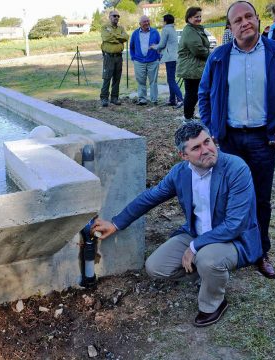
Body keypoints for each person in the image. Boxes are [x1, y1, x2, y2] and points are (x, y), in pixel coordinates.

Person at [92, 121, 262, 327]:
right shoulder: (180, 173)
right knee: (155, 267)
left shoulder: (236, 168)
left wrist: (194, 247)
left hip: (234, 239)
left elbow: (234, 224)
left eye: (207, 142)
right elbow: (150, 197)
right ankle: (209, 274)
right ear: (183, 156)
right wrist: (116, 223)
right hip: (195, 233)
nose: (206, 150)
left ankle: (213, 304)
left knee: (208, 260)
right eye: (196, 148)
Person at [198, 1, 275, 279]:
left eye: (248, 17)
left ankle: (260, 252)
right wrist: (211, 132)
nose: (245, 23)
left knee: (260, 199)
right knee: (226, 196)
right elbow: (204, 96)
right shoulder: (219, 57)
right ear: (230, 28)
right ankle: (227, 248)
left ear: (257, 19)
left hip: (262, 140)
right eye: (237, 20)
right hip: (228, 139)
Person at [177, 7, 210, 120]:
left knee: (193, 93)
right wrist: (211, 54)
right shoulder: (190, 31)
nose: (199, 19)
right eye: (196, 17)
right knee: (192, 93)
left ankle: (189, 115)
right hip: (191, 68)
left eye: (200, 16)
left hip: (194, 67)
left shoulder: (195, 29)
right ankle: (187, 117)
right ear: (189, 17)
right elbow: (198, 50)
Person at [151, 14, 184, 108]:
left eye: (162, 20)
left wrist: (153, 47)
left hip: (170, 57)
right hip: (174, 57)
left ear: (165, 21)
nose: (162, 22)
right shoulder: (172, 29)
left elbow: (161, 44)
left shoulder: (166, 29)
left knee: (171, 80)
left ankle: (181, 99)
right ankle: (172, 100)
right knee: (171, 79)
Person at [100, 10, 129, 108]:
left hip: (119, 57)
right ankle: (104, 98)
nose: (116, 17)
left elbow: (126, 37)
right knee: (107, 77)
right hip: (109, 57)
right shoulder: (105, 27)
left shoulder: (121, 28)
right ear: (109, 17)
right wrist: (119, 38)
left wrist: (114, 36)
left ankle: (114, 98)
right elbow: (106, 38)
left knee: (117, 78)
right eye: (114, 16)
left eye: (118, 16)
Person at [130, 15, 161, 105]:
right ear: (140, 24)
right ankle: (142, 99)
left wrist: (159, 57)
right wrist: (133, 57)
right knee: (141, 81)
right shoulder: (135, 33)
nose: (147, 23)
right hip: (139, 61)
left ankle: (154, 100)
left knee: (153, 81)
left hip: (153, 61)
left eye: (148, 21)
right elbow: (131, 47)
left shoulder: (155, 32)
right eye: (144, 22)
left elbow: (160, 45)